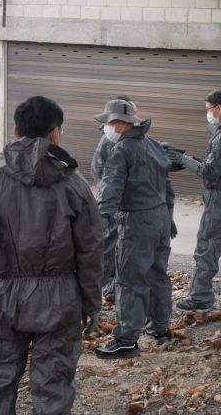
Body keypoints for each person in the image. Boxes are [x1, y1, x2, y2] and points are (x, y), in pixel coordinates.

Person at [0, 96, 103, 415]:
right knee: (53, 389)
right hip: (59, 299)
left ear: (15, 130)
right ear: (55, 133)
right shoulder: (74, 185)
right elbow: (91, 251)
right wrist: (92, 303)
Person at [93, 99, 176, 359]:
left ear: (120, 124)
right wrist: (169, 217)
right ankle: (159, 327)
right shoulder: (152, 145)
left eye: (108, 123)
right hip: (159, 217)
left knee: (130, 280)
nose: (106, 128)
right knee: (157, 275)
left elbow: (110, 190)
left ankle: (126, 339)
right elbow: (167, 186)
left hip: (135, 221)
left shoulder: (121, 151)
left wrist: (101, 221)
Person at [166, 90, 221, 310]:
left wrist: (183, 159)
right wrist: (191, 159)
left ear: (219, 109)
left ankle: (200, 297)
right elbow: (219, 165)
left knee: (207, 247)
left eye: (208, 110)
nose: (207, 114)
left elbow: (211, 171)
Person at [90, 94, 134, 303]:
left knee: (119, 246)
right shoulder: (108, 141)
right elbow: (98, 172)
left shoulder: (126, 140)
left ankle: (113, 284)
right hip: (112, 203)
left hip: (121, 203)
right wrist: (108, 200)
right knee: (109, 246)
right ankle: (107, 286)